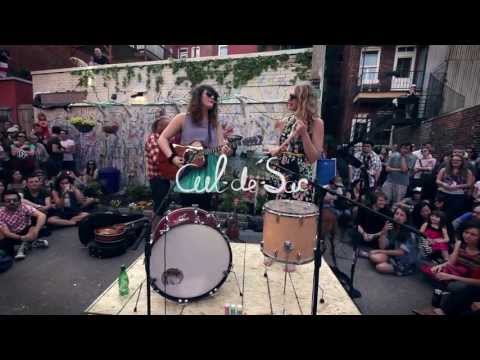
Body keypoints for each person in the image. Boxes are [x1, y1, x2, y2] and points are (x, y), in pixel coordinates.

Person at [158, 85, 232, 211]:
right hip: (188, 172)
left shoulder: (215, 123)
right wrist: (172, 157)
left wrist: (226, 152)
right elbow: (162, 139)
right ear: (198, 97)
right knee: (187, 211)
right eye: (209, 94)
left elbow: (220, 151)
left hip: (208, 174)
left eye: (215, 95)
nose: (213, 97)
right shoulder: (182, 118)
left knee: (204, 212)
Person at [268, 84, 325, 203]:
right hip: (281, 175)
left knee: (297, 215)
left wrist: (304, 134)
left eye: (292, 96)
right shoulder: (284, 122)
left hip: (300, 178)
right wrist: (274, 150)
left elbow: (313, 157)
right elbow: (275, 148)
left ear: (303, 99)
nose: (288, 100)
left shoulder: (316, 123)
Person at [416, 220, 480, 315]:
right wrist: (457, 247)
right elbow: (451, 263)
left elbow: (478, 282)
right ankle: (436, 306)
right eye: (466, 232)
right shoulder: (462, 245)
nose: (467, 236)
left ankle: (441, 310)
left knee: (456, 286)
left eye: (473, 234)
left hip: (471, 282)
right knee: (432, 268)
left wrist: (452, 277)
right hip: (458, 272)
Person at [368, 205, 417, 276]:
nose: (398, 217)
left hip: (405, 261)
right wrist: (384, 232)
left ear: (406, 219)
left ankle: (404, 270)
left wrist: (379, 251)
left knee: (380, 267)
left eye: (402, 215)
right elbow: (382, 246)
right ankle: (388, 262)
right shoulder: (392, 226)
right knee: (373, 257)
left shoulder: (410, 232)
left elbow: (401, 252)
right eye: (397, 214)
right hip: (393, 256)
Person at [145, 112, 177, 217]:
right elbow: (158, 159)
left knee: (163, 205)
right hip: (157, 178)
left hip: (164, 178)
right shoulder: (154, 138)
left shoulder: (166, 139)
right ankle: (155, 230)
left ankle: (159, 228)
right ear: (159, 127)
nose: (170, 128)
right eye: (167, 125)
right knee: (159, 206)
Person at [0, 190, 48, 260]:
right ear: (3, 202)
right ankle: (29, 243)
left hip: (25, 230)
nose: (12, 202)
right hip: (12, 235)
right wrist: (22, 238)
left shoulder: (24, 207)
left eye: (15, 200)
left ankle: (26, 244)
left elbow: (42, 215)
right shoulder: (0, 213)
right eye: (8, 201)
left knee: (33, 228)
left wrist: (36, 231)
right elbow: (6, 233)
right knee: (6, 249)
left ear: (19, 201)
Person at [436, 154, 475, 222]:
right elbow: (437, 180)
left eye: (457, 160)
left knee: (453, 214)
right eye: (453, 160)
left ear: (462, 161)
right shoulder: (444, 169)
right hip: (443, 194)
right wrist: (444, 184)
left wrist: (457, 186)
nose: (455, 161)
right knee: (441, 212)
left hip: (458, 196)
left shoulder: (467, 171)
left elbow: (469, 184)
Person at [382, 143, 410, 208]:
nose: (405, 150)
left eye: (407, 149)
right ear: (400, 149)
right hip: (389, 181)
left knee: (396, 203)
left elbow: (404, 170)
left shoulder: (411, 158)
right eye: (404, 148)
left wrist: (403, 157)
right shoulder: (393, 156)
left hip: (402, 183)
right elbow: (387, 169)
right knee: (385, 199)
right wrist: (399, 169)